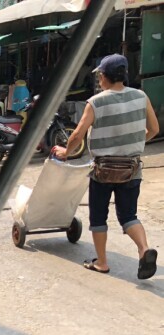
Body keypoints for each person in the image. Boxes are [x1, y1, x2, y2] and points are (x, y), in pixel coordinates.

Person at [54, 54, 159, 279]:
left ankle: (102, 262)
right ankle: (144, 249)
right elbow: (154, 129)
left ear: (104, 76)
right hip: (131, 169)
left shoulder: (96, 102)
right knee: (129, 215)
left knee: (99, 216)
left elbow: (77, 135)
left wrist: (66, 152)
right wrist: (135, 143)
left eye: (100, 75)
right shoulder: (141, 96)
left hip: (103, 171)